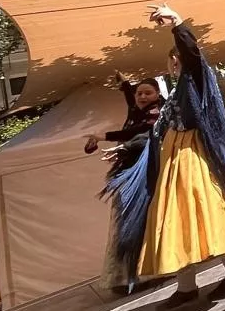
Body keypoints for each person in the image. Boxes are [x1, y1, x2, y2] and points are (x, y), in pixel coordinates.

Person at [101, 5, 225, 307]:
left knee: (212, 213)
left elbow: (194, 59)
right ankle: (186, 286)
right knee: (175, 221)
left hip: (197, 158)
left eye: (177, 57)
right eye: (171, 60)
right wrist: (123, 148)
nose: (174, 63)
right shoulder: (174, 96)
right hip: (174, 162)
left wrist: (177, 24)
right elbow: (152, 132)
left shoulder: (196, 82)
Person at [87, 73, 163, 294]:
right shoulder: (138, 110)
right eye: (140, 93)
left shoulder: (156, 113)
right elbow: (131, 100)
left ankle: (147, 274)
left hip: (144, 175)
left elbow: (138, 133)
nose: (142, 96)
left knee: (139, 222)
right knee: (126, 223)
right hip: (130, 172)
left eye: (147, 93)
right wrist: (125, 85)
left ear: (157, 94)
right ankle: (128, 276)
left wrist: (105, 136)